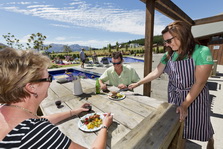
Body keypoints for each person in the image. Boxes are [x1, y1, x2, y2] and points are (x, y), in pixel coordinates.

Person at [0, 48, 113, 149]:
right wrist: (104, 126)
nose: (50, 82)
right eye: (48, 78)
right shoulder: (37, 134)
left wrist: (74, 111)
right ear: (32, 87)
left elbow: (42, 119)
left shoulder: (6, 112)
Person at [128, 20, 214, 149]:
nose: (166, 44)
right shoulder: (169, 55)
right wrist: (138, 83)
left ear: (182, 35)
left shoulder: (202, 51)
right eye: (165, 42)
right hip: (175, 96)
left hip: (195, 97)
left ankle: (210, 141)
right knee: (178, 127)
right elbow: (157, 72)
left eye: (169, 40)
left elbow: (200, 82)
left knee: (201, 125)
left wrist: (185, 104)